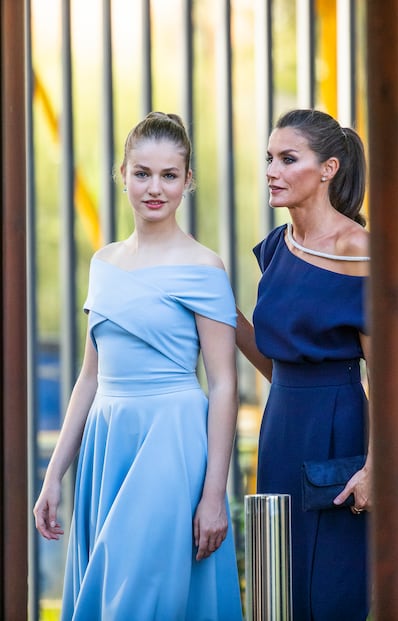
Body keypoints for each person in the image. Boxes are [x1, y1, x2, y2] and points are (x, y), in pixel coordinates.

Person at [34, 111, 243, 621]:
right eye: (142, 173)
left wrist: (215, 493)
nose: (155, 188)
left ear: (187, 180)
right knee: (109, 595)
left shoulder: (204, 266)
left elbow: (223, 382)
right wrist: (53, 476)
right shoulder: (102, 262)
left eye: (169, 175)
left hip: (172, 442)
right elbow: (89, 377)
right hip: (108, 444)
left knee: (145, 592)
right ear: (122, 174)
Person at [237, 109, 371, 620]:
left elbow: (384, 374)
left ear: (328, 169)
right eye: (269, 158)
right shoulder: (276, 247)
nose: (272, 170)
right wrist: (217, 312)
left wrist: (376, 468)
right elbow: (277, 363)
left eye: (287, 159)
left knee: (333, 583)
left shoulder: (359, 250)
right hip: (280, 426)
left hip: (340, 427)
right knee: (277, 583)